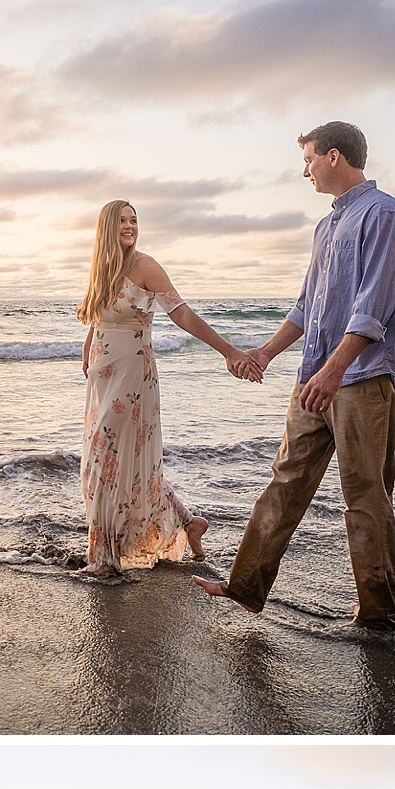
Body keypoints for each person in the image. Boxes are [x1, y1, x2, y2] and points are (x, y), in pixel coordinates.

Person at [197, 121, 395, 625]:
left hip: (361, 379)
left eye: (309, 159)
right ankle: (245, 587)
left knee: (365, 498)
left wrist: (336, 369)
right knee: (285, 482)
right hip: (314, 378)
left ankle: (379, 617)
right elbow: (307, 307)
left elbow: (372, 307)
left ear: (334, 157)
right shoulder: (326, 227)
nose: (305, 170)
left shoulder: (384, 215)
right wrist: (265, 354)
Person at [77, 198, 262, 576]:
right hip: (103, 374)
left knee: (104, 457)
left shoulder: (146, 266)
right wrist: (86, 353)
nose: (129, 226)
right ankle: (189, 524)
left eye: (134, 220)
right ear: (106, 227)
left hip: (132, 374)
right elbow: (97, 318)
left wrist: (228, 350)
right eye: (122, 221)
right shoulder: (102, 268)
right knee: (121, 463)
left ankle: (104, 559)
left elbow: (181, 313)